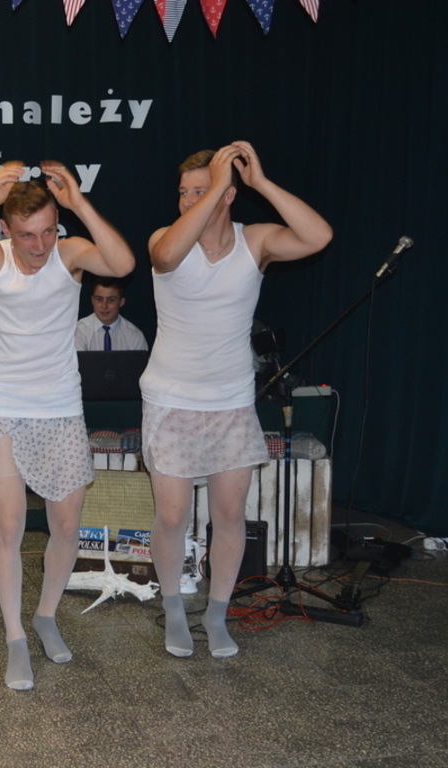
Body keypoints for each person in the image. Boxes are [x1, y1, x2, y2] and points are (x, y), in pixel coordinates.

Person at [0, 161, 135, 690]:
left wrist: (79, 204)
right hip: (4, 405)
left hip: (61, 407)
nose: (40, 244)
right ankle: (15, 639)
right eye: (27, 234)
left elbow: (122, 262)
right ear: (7, 229)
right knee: (8, 526)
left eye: (49, 230)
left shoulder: (69, 256)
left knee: (67, 527)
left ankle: (45, 616)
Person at [142, 141, 332, 658]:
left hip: (230, 401)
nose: (187, 200)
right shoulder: (166, 239)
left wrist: (259, 183)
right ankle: (175, 610)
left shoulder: (256, 241)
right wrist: (210, 193)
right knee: (173, 516)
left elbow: (319, 236)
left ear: (227, 195)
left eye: (200, 191)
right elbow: (164, 256)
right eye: (184, 192)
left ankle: (217, 614)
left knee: (230, 516)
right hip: (172, 398)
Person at [74, 276, 148, 351]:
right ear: (92, 300)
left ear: (121, 302)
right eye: (99, 299)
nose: (104, 306)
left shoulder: (135, 336)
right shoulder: (79, 331)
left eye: (111, 300)